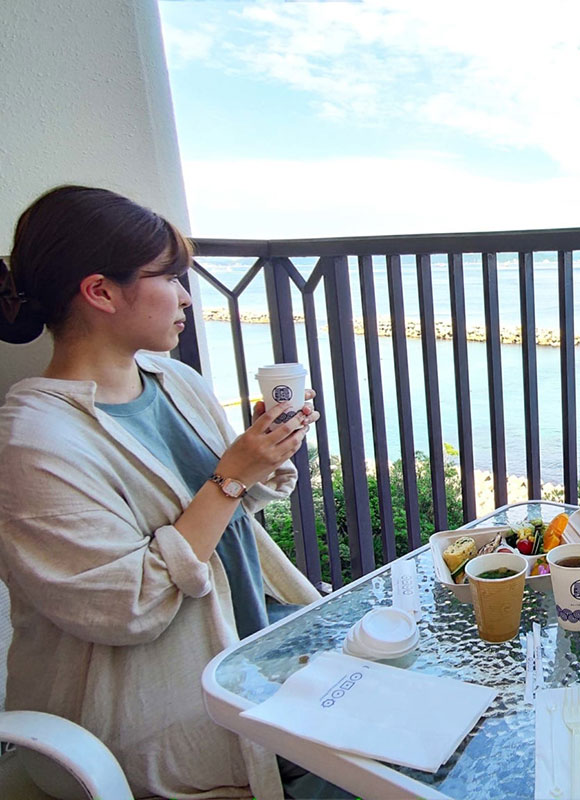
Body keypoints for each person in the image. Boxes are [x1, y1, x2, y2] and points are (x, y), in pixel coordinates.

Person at [0, 186, 340, 800]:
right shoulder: (35, 442)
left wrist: (263, 454)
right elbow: (126, 605)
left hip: (248, 653)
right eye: (170, 277)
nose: (187, 296)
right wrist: (231, 475)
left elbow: (222, 518)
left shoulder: (173, 379)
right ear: (100, 291)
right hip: (154, 714)